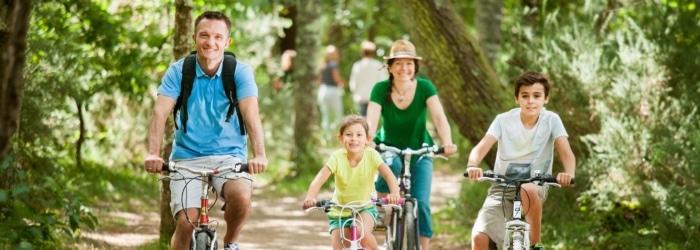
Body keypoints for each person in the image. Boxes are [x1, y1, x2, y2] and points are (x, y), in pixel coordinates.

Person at [143, 11, 268, 250]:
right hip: (187, 157)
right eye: (204, 35)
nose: (211, 42)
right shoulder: (179, 72)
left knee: (241, 197)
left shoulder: (239, 72)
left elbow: (251, 115)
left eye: (218, 37)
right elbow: (159, 113)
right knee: (186, 223)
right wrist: (153, 153)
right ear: (194, 38)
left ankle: (231, 242)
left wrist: (259, 154)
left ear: (227, 42)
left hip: (229, 156)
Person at [464, 71, 576, 250]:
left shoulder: (552, 120)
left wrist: (568, 173)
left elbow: (566, 151)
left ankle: (536, 243)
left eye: (536, 96)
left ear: (545, 99)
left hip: (534, 183)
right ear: (516, 98)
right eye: (525, 96)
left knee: (527, 188)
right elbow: (481, 147)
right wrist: (472, 166)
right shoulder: (502, 121)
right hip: (502, 186)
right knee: (479, 238)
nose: (531, 101)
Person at [366, 39, 458, 250]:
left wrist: (448, 142)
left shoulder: (425, 87)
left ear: (415, 66)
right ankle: (381, 200)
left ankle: (423, 247)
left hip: (421, 150)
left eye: (409, 63)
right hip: (388, 148)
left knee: (422, 203)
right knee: (392, 166)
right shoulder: (380, 89)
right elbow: (371, 119)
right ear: (389, 67)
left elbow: (439, 117)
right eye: (398, 63)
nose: (404, 68)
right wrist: (368, 140)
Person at [303, 114, 401, 250]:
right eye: (349, 134)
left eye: (359, 135)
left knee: (363, 235)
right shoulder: (337, 158)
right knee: (339, 246)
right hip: (339, 210)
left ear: (367, 139)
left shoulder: (372, 156)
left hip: (365, 208)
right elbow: (319, 179)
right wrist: (310, 197)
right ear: (341, 138)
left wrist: (394, 194)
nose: (354, 138)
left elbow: (389, 175)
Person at [349, 41, 387, 116]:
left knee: (362, 121)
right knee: (372, 121)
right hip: (374, 98)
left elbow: (353, 84)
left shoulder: (357, 65)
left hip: (361, 98)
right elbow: (383, 81)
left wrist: (356, 92)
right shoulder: (377, 65)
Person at [318, 45, 345, 133]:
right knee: (338, 115)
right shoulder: (333, 65)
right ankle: (335, 135)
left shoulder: (323, 65)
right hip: (332, 91)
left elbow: (319, 80)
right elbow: (336, 79)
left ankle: (326, 137)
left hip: (322, 90)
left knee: (326, 116)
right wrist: (343, 81)